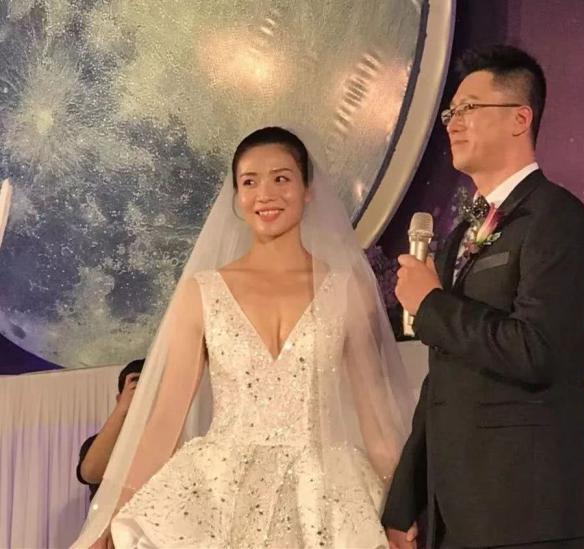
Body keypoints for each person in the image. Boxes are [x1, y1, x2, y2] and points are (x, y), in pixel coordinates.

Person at [73, 127, 415, 548]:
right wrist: (110, 516)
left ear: (308, 189)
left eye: (281, 178)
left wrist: (402, 513)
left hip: (324, 500)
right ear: (236, 196)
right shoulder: (202, 293)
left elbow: (376, 420)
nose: (265, 194)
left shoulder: (347, 290)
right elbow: (164, 421)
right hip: (219, 495)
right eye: (250, 182)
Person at [384, 45, 584, 548]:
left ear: (520, 118)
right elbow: (445, 375)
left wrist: (432, 305)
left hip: (525, 513)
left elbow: (538, 350)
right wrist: (407, 494)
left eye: (469, 108)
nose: (453, 123)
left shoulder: (556, 217)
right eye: (450, 113)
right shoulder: (463, 233)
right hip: (455, 514)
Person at [76, 359, 144, 500]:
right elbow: (91, 473)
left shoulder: (175, 438)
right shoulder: (97, 443)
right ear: (120, 398)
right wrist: (123, 408)